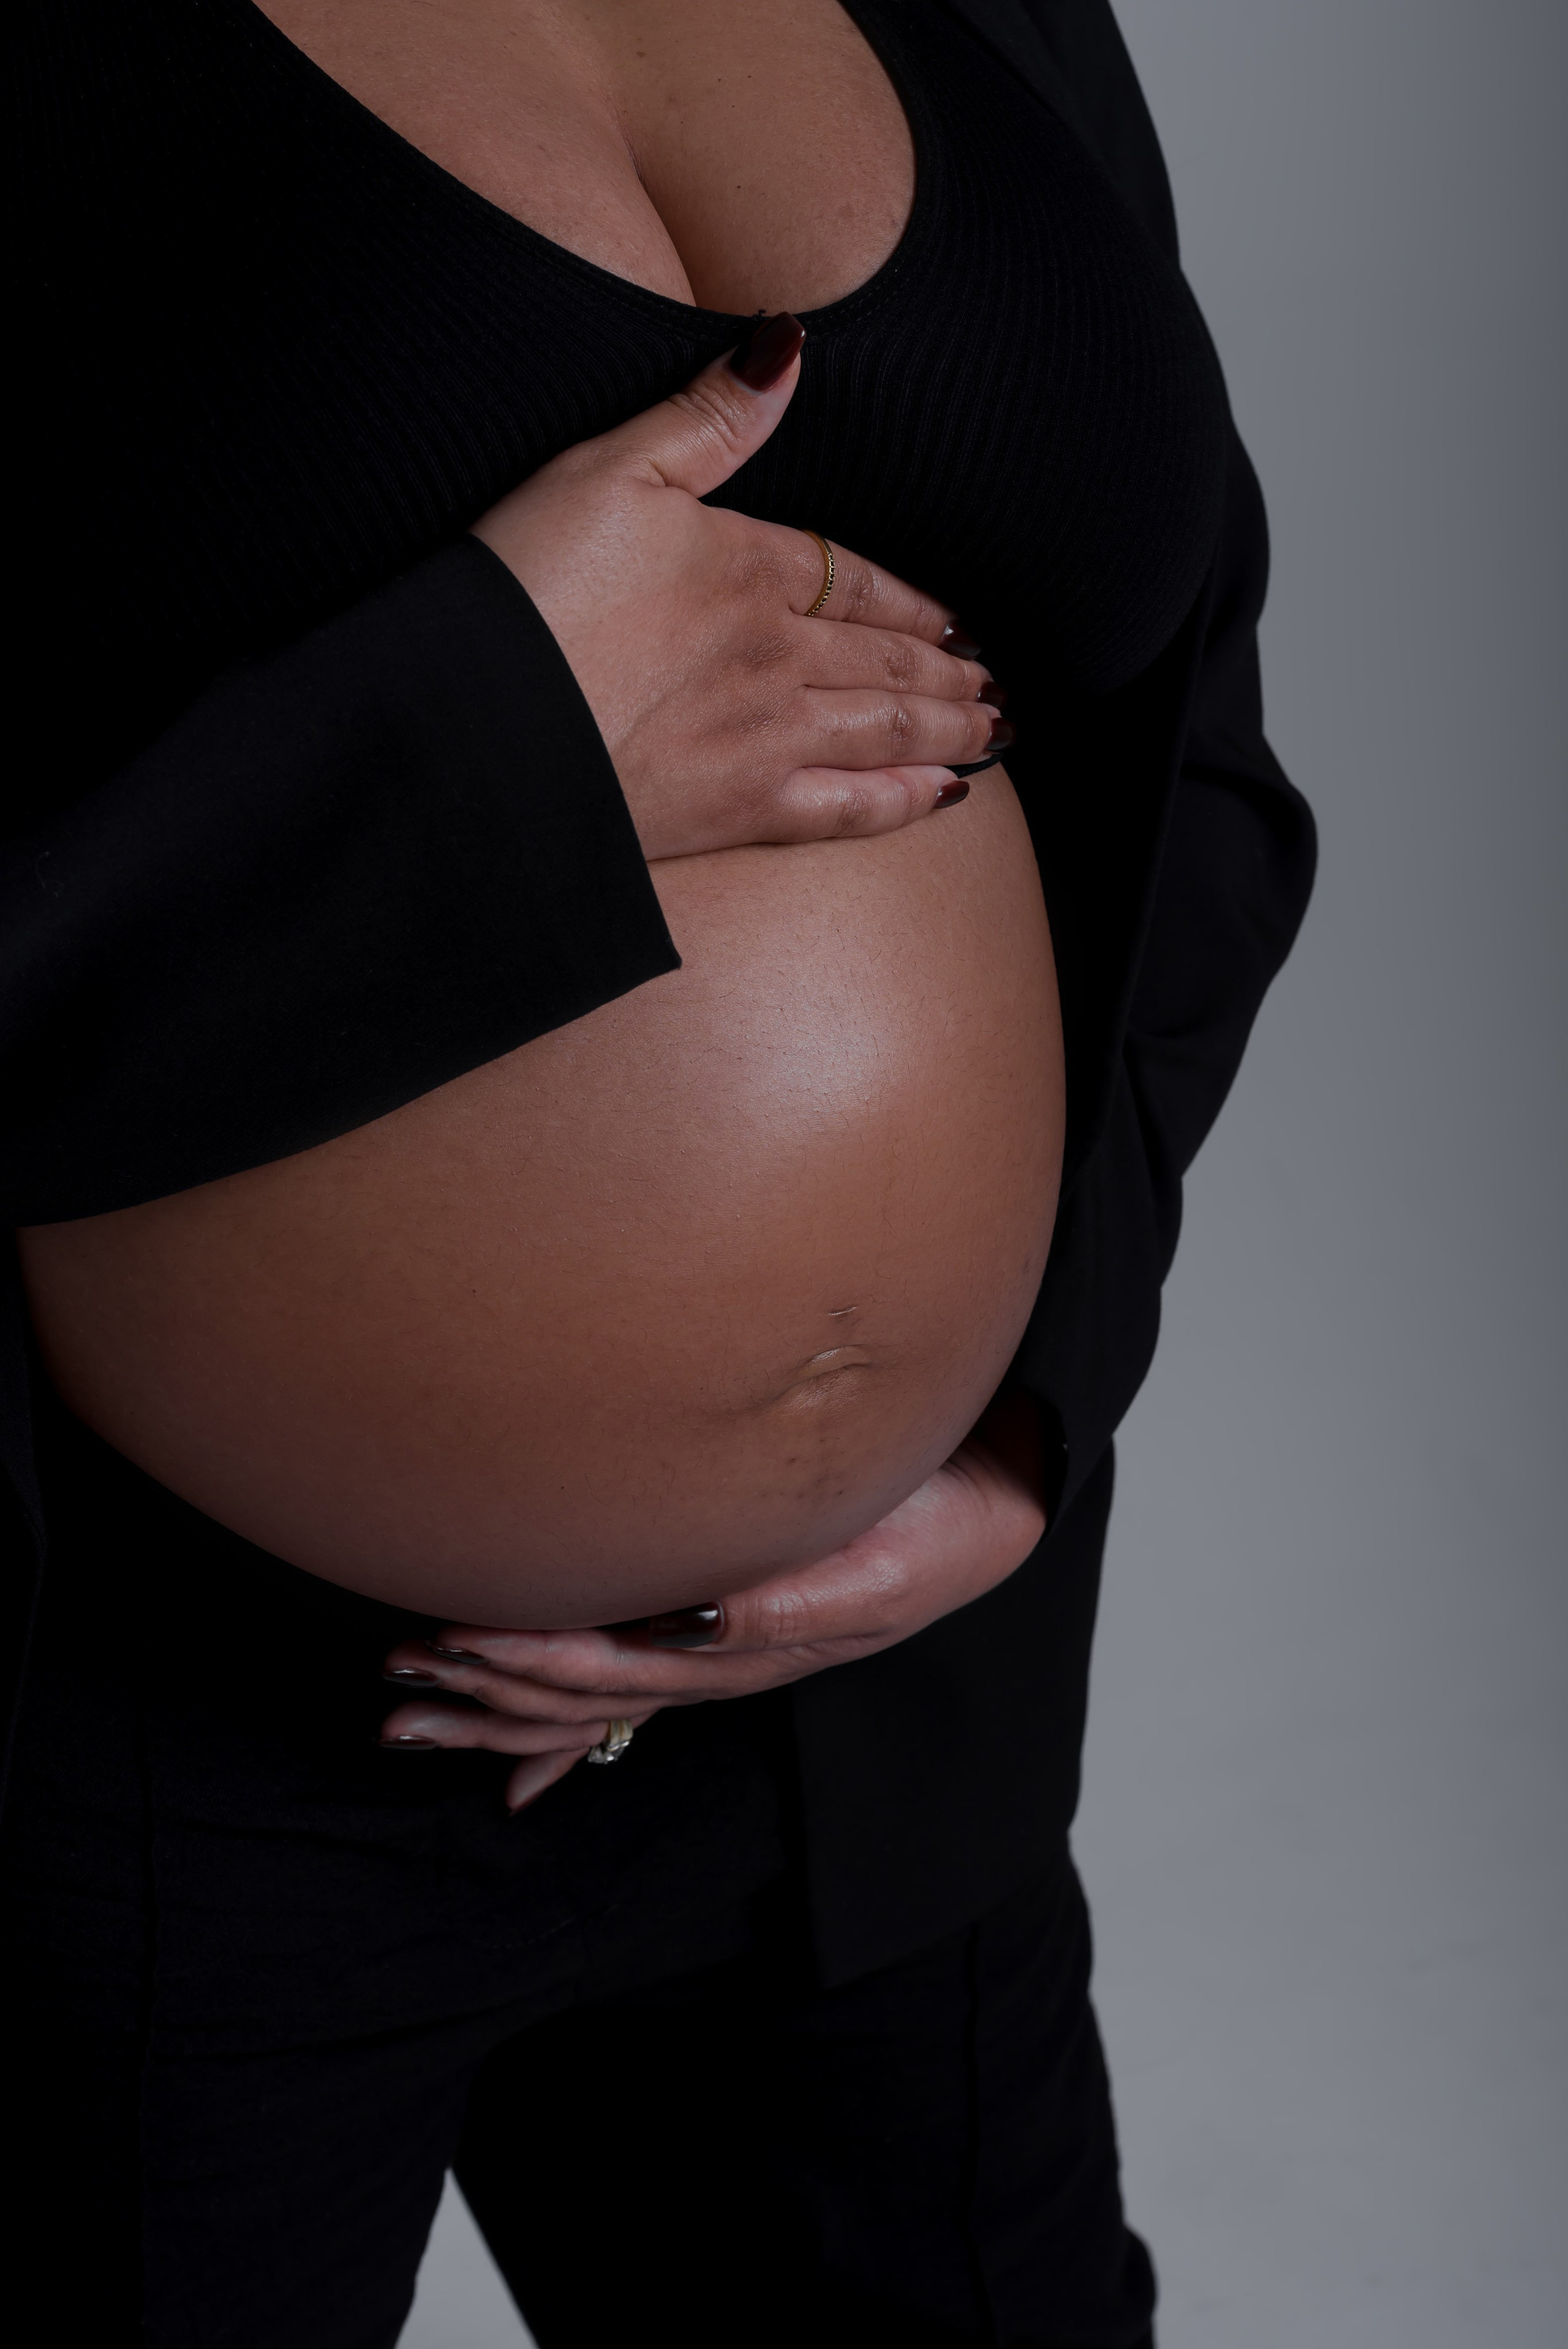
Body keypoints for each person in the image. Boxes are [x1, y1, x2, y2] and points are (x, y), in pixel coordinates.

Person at [3, 2, 1316, 2342]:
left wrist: (1029, 1417)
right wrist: (478, 743)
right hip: (124, 1789)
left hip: (874, 1738)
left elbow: (1184, 727)